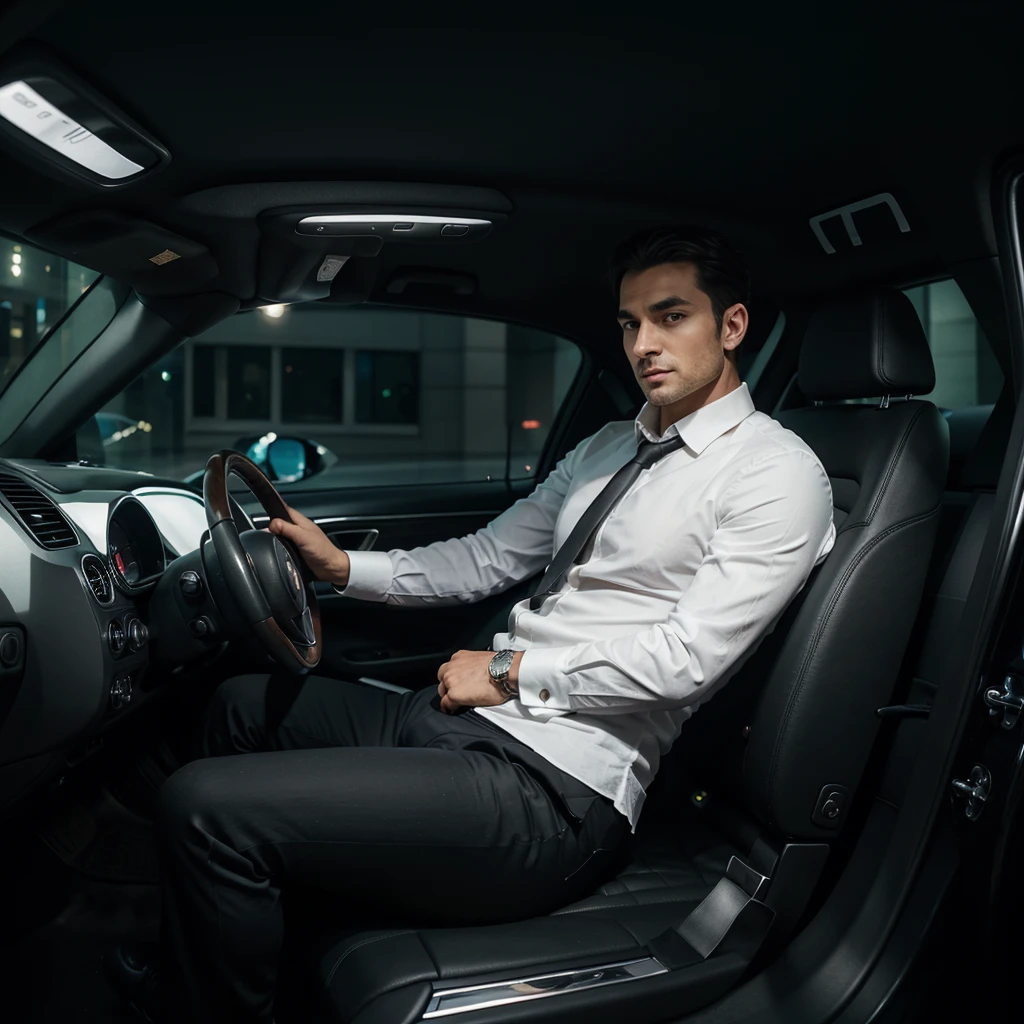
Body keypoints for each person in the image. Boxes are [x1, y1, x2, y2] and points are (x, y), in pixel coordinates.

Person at [108, 225, 835, 1023]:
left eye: (671, 317)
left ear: (731, 326)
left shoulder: (777, 473)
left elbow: (687, 660)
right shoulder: (606, 447)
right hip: (461, 719)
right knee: (236, 706)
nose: (643, 345)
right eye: (630, 323)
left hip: (554, 789)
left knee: (203, 808)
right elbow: (489, 557)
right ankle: (210, 944)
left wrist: (508, 671)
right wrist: (344, 569)